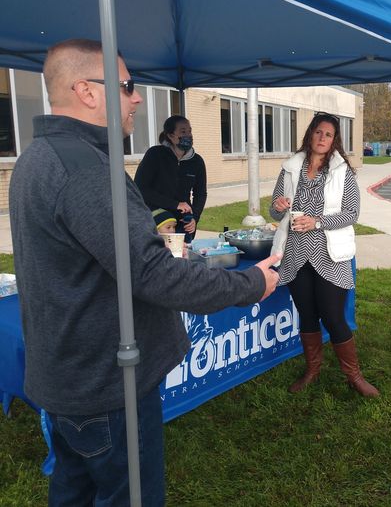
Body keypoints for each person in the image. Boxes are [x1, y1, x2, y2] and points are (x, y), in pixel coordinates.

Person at [8, 39, 280, 506]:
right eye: (127, 86)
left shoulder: (38, 157)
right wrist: (253, 283)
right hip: (107, 386)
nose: (136, 98)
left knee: (73, 493)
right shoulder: (85, 170)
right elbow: (155, 275)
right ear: (87, 92)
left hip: (70, 381)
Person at [270, 112, 379, 398]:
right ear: (310, 134)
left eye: (328, 134)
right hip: (295, 254)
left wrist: (317, 222)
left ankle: (353, 376)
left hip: (329, 254)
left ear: (334, 140)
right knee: (306, 314)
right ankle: (312, 370)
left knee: (332, 316)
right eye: (318, 132)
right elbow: (273, 209)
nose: (322, 138)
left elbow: (351, 213)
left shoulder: (343, 171)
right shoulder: (291, 167)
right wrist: (279, 206)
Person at [134, 115, 207, 242]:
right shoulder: (155, 155)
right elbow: (140, 188)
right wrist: (175, 204)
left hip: (184, 222)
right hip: (158, 220)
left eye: (190, 131)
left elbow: (200, 193)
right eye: (183, 132)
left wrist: (194, 217)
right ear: (171, 136)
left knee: (184, 256)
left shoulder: (197, 161)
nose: (188, 135)